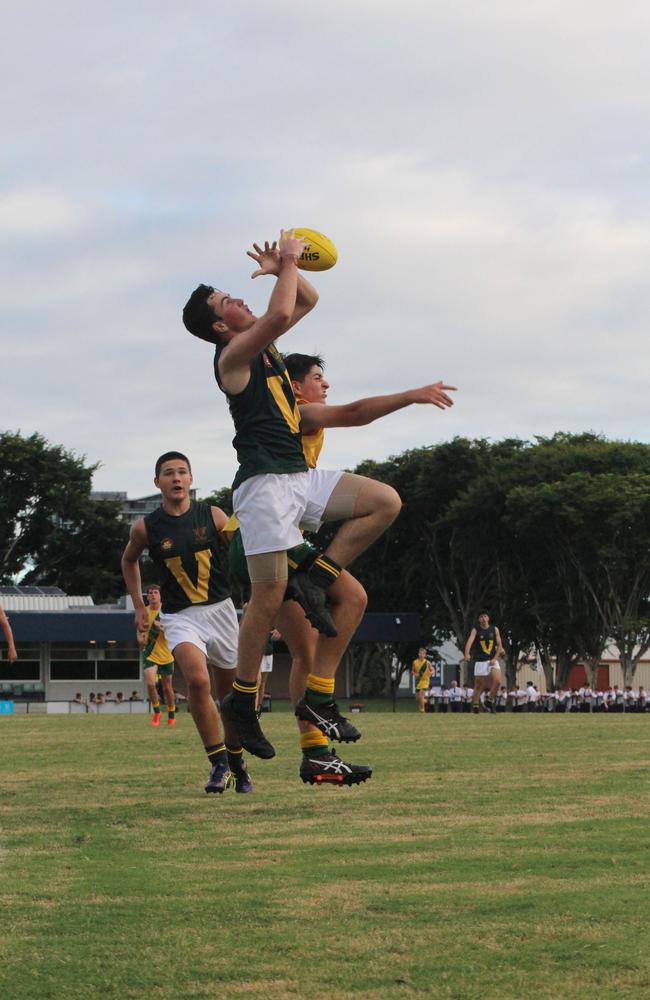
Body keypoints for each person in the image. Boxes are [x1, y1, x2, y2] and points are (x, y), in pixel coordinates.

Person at [182, 234, 453, 763]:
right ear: (220, 326)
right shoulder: (234, 355)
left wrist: (413, 394)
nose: (239, 299)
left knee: (384, 501)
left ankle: (318, 645)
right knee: (268, 596)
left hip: (297, 482)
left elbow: (303, 302)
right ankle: (242, 703)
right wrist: (285, 261)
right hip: (262, 487)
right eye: (226, 302)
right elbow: (281, 314)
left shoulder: (272, 357)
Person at [122, 451, 252, 795]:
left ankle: (238, 762)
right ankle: (218, 764)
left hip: (221, 609)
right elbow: (129, 561)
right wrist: (138, 606)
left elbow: (241, 554)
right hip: (180, 616)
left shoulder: (213, 515)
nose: (176, 478)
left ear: (191, 480)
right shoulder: (146, 527)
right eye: (168, 473)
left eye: (182, 472)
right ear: (157, 483)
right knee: (196, 681)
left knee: (228, 697)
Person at [138, 584, 177, 728]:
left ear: (160, 595)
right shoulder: (144, 613)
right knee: (150, 684)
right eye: (150, 593)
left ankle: (172, 714)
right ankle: (156, 712)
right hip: (150, 654)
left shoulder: (167, 612)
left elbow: (174, 629)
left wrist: (160, 627)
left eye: (155, 592)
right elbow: (139, 633)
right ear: (147, 596)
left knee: (167, 688)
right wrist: (141, 638)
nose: (153, 595)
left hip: (166, 654)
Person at [464, 611, 504, 713]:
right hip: (480, 661)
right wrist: (467, 653)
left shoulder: (494, 629)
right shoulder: (476, 630)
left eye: (485, 616)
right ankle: (476, 706)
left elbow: (500, 645)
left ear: (488, 618)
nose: (483, 618)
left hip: (492, 659)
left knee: (498, 681)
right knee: (478, 685)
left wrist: (495, 658)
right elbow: (470, 641)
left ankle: (489, 701)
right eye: (481, 617)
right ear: (479, 619)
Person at [411, 648, 432, 714]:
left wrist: (431, 673)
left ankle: (422, 710)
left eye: (423, 654)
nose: (421, 655)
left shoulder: (427, 662)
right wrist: (415, 674)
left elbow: (433, 670)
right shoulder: (415, 662)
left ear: (425, 655)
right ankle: (425, 701)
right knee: (418, 698)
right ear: (418, 654)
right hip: (418, 681)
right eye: (420, 653)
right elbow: (412, 671)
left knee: (421, 696)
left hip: (425, 681)